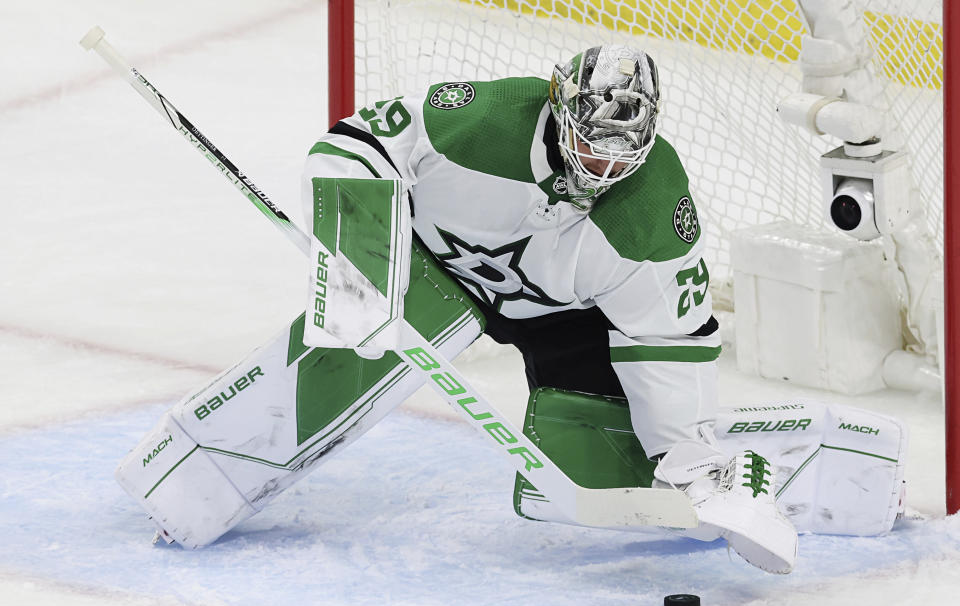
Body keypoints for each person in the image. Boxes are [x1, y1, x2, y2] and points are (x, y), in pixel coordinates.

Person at [116, 45, 796, 574]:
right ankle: (188, 478)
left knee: (597, 455)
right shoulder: (487, 119)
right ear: (560, 106)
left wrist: (685, 455)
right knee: (349, 357)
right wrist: (361, 262)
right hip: (435, 268)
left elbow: (668, 342)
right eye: (591, 144)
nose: (602, 169)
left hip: (559, 315)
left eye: (622, 156)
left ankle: (717, 465)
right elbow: (355, 147)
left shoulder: (656, 213)